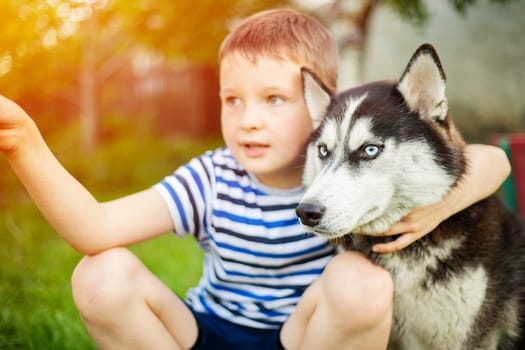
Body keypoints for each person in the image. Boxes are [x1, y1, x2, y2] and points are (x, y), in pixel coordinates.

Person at [0, 8, 510, 350]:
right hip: (205, 332)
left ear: (320, 108)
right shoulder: (212, 177)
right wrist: (25, 142)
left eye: (273, 99)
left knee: (360, 283)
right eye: (232, 100)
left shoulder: (352, 188)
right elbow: (93, 228)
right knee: (98, 275)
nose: (248, 120)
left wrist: (438, 207)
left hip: (303, 336)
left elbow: (493, 163)